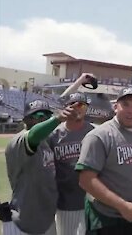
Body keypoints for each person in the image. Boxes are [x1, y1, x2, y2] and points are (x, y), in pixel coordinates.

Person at [76, 87, 132, 235]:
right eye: (125, 104)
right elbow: (86, 180)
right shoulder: (99, 136)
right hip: (106, 218)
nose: (130, 110)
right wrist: (122, 206)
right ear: (116, 107)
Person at [2, 99, 78, 235]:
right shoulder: (20, 141)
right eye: (39, 116)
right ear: (26, 120)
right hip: (24, 220)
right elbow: (34, 135)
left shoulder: (46, 142)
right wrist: (57, 118)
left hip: (45, 218)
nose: (44, 119)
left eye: (47, 116)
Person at [47, 92, 94, 235]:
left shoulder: (94, 132)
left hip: (92, 201)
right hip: (65, 202)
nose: (78, 109)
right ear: (66, 108)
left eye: (83, 106)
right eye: (74, 105)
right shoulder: (54, 135)